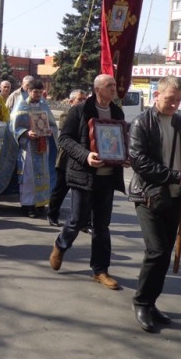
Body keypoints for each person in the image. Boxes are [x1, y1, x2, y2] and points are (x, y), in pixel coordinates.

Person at [128, 76, 181, 332]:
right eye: (169, 99)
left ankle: (151, 302)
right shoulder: (142, 123)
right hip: (148, 195)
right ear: (156, 96)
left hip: (175, 197)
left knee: (164, 253)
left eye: (177, 100)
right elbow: (140, 161)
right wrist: (176, 176)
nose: (174, 104)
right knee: (157, 251)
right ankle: (140, 302)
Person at [48, 74, 126, 289]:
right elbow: (65, 139)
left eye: (114, 85)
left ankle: (100, 270)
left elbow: (120, 140)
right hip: (83, 175)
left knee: (102, 226)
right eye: (109, 85)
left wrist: (123, 156)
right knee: (77, 220)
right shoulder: (80, 110)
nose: (114, 88)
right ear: (97, 89)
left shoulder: (117, 111)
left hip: (108, 178)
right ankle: (60, 245)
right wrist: (86, 155)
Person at [0, 79, 58, 217]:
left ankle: (40, 203)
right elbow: (13, 127)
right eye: (35, 92)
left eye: (40, 92)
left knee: (43, 175)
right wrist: (25, 133)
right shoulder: (21, 105)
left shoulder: (44, 104)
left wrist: (50, 130)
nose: (38, 95)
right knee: (28, 177)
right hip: (27, 147)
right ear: (29, 91)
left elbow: (52, 124)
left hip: (42, 145)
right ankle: (27, 204)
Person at [47, 89, 87, 226]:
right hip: (66, 159)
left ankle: (85, 221)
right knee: (60, 189)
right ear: (71, 101)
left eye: (85, 99)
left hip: (83, 159)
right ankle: (52, 214)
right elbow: (68, 135)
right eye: (80, 99)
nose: (83, 102)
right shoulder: (67, 115)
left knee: (84, 192)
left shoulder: (88, 114)